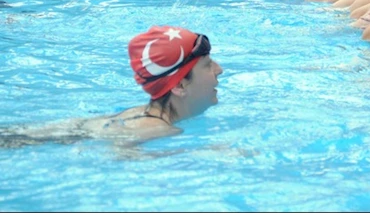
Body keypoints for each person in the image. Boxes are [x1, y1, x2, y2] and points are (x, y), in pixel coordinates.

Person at [0, 26, 222, 147]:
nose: (219, 69)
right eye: (207, 64)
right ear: (180, 85)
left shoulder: (143, 113)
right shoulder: (158, 128)